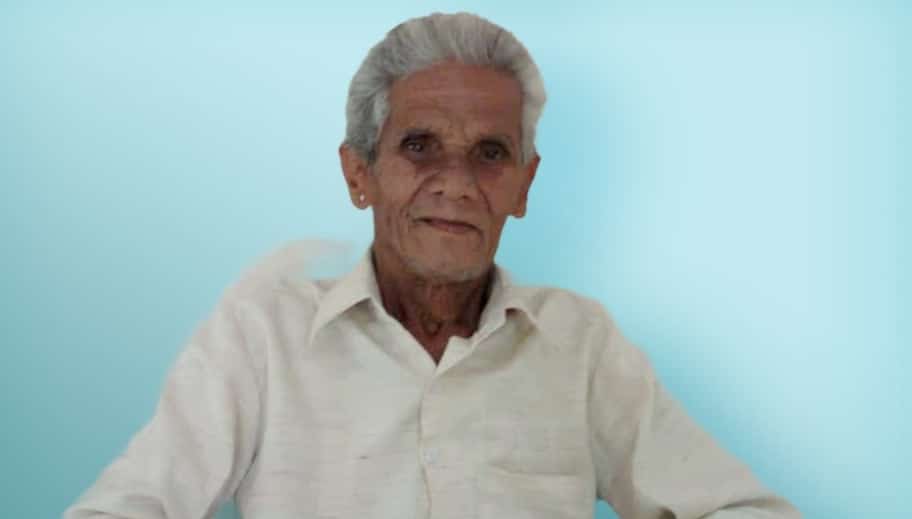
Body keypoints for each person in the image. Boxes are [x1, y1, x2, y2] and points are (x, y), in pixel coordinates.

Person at [64, 12, 801, 519]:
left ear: (523, 186)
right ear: (359, 173)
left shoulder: (579, 343)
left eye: (490, 153)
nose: (456, 183)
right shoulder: (263, 333)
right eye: (420, 147)